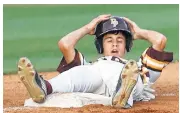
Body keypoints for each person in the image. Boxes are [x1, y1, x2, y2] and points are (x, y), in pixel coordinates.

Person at [17, 14, 173, 108]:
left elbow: (160, 40)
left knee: (132, 73)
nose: (114, 44)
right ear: (100, 45)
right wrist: (87, 28)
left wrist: (138, 32)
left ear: (127, 45)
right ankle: (45, 87)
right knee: (78, 73)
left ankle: (123, 91)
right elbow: (65, 44)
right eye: (109, 40)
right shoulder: (92, 67)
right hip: (97, 77)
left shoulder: (139, 67)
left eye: (120, 39)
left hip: (129, 77)